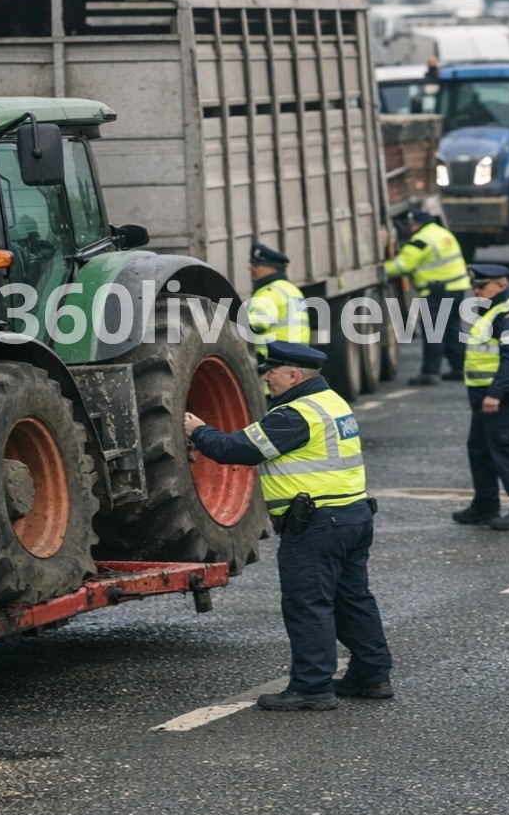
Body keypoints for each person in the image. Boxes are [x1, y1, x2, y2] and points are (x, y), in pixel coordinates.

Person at [183, 341, 393, 711]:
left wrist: (198, 430)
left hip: (317, 525)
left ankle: (312, 688)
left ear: (293, 375)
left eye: (272, 371)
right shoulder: (333, 402)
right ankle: (372, 675)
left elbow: (236, 450)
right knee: (352, 599)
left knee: (308, 604)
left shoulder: (295, 415)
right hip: (353, 516)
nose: (266, 377)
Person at [452, 263, 509, 531]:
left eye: (482, 286)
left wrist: (496, 394)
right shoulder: (493, 310)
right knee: (480, 449)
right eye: (475, 287)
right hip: (491, 392)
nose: (477, 291)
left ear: (501, 285)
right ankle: (485, 505)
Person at [383, 208, 470, 385]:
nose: (407, 229)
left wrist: (379, 269)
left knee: (433, 333)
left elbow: (401, 266)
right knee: (453, 330)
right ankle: (460, 368)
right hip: (457, 287)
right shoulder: (442, 233)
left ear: (416, 224)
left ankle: (431, 372)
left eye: (408, 225)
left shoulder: (420, 241)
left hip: (437, 291)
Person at [244, 242, 310, 357]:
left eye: (256, 265)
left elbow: (260, 322)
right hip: (296, 356)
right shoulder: (291, 289)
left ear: (272, 268)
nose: (251, 268)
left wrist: (232, 321)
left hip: (274, 357)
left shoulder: (270, 291)